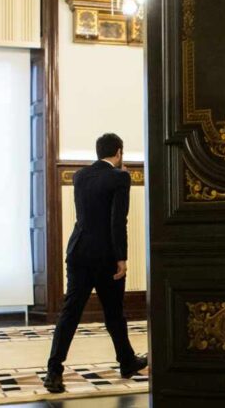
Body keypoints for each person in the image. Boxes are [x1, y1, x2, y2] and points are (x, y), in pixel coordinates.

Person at [43, 133, 147, 393]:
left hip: (78, 252)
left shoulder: (80, 176)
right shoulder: (121, 178)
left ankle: (54, 371)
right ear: (119, 152)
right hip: (105, 256)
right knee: (114, 313)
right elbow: (117, 221)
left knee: (70, 314)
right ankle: (126, 363)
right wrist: (121, 258)